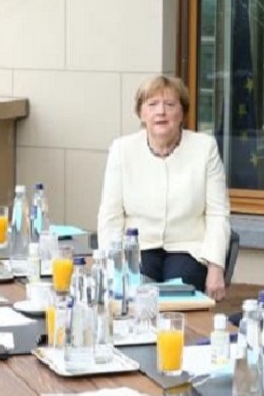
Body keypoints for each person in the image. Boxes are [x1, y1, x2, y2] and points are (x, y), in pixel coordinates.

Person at [96, 75, 231, 300]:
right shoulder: (122, 150)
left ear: (182, 113)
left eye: (170, 104)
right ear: (141, 113)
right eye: (152, 104)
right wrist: (112, 266)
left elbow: (218, 213)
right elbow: (110, 216)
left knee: (177, 296)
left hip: (188, 249)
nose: (161, 112)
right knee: (134, 296)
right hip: (137, 249)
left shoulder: (204, 148)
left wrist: (216, 268)